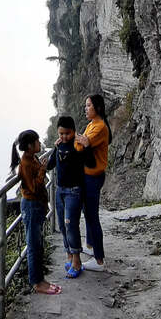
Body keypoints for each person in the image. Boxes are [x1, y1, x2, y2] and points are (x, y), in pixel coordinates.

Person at [10, 129, 62, 295]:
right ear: (30, 146)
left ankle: (40, 279)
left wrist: (42, 166)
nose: (40, 144)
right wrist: (42, 169)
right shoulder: (25, 163)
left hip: (36, 206)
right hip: (31, 206)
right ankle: (37, 283)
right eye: (38, 142)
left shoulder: (31, 158)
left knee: (37, 244)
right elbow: (33, 187)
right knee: (33, 245)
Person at [46, 115, 95, 278]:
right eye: (61, 134)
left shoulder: (78, 145)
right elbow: (50, 165)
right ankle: (69, 256)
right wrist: (55, 148)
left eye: (67, 133)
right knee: (62, 225)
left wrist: (87, 146)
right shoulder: (60, 145)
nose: (64, 137)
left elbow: (91, 164)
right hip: (60, 190)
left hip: (74, 191)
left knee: (70, 224)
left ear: (73, 131)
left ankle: (77, 261)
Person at [75, 93, 112, 271]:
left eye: (88, 105)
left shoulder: (99, 127)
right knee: (87, 212)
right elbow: (80, 144)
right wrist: (77, 139)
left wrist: (77, 138)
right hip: (87, 175)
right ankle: (90, 245)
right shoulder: (92, 124)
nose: (85, 108)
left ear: (97, 108)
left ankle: (99, 261)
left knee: (92, 216)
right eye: (85, 105)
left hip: (93, 176)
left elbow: (82, 144)